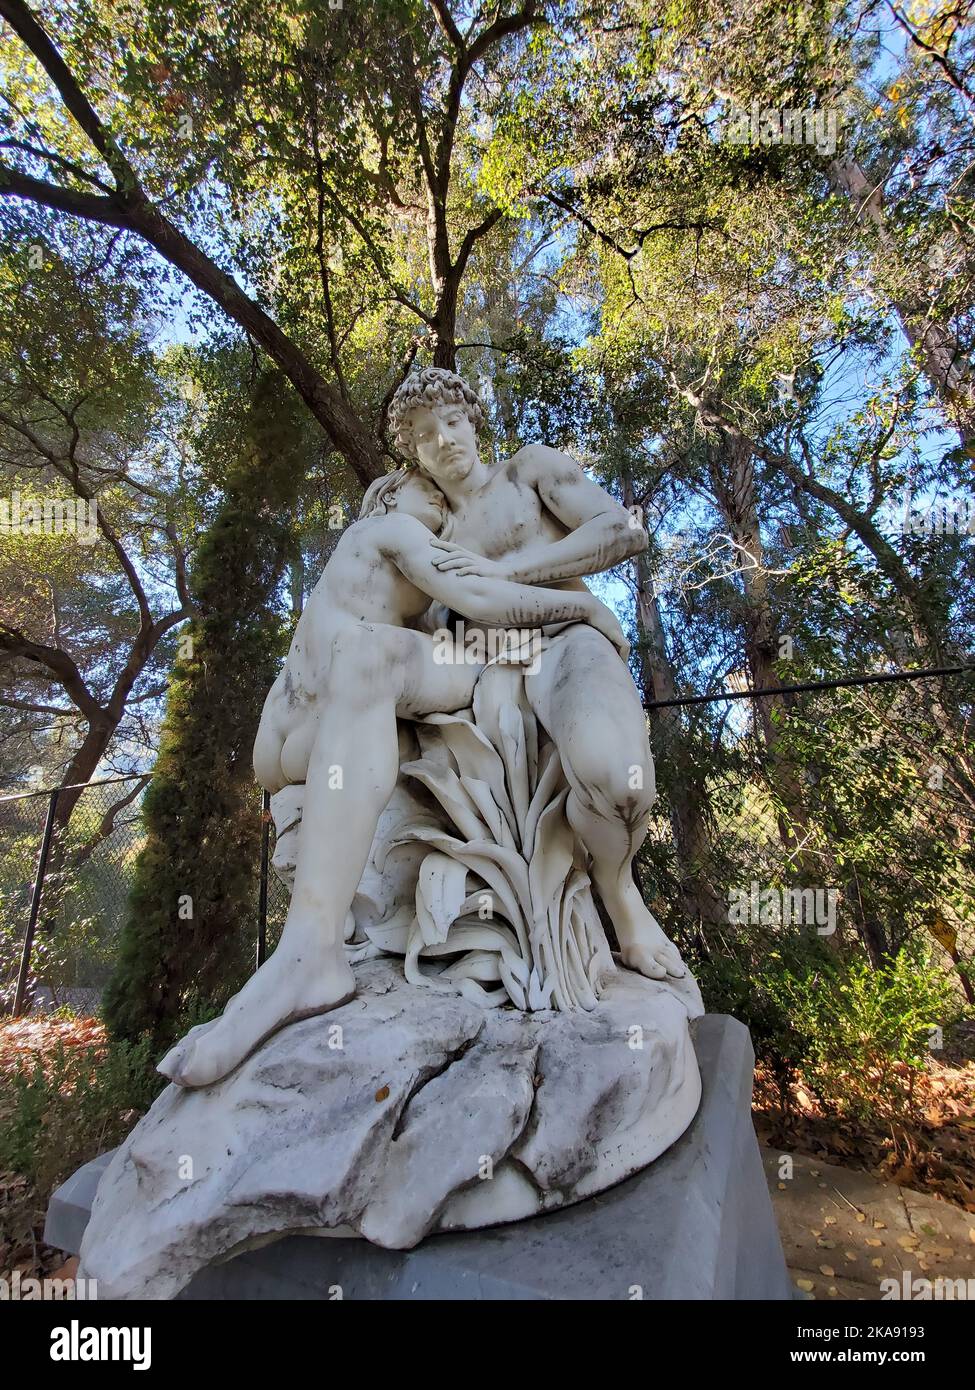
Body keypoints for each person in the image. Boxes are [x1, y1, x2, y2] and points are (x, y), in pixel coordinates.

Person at [160, 465, 628, 1087]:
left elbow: (455, 629)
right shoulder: (392, 529)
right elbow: (483, 600)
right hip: (343, 695)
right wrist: (586, 609)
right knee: (371, 655)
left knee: (370, 658)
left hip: (288, 737)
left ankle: (312, 952)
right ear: (385, 499)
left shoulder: (371, 576)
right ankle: (310, 952)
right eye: (419, 485)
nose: (435, 492)